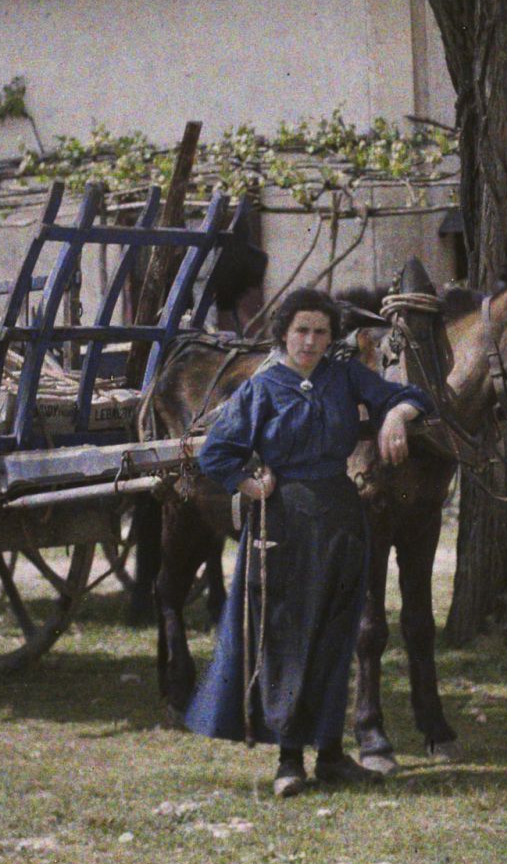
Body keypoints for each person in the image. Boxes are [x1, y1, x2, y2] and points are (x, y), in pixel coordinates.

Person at [186, 287, 434, 797]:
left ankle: (333, 756)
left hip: (342, 518)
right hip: (284, 524)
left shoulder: (344, 376)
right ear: (284, 333)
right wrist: (248, 483)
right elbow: (217, 452)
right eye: (301, 330)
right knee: (289, 639)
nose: (311, 340)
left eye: (321, 332)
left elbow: (414, 396)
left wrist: (393, 415)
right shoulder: (264, 388)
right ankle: (289, 760)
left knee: (336, 635)